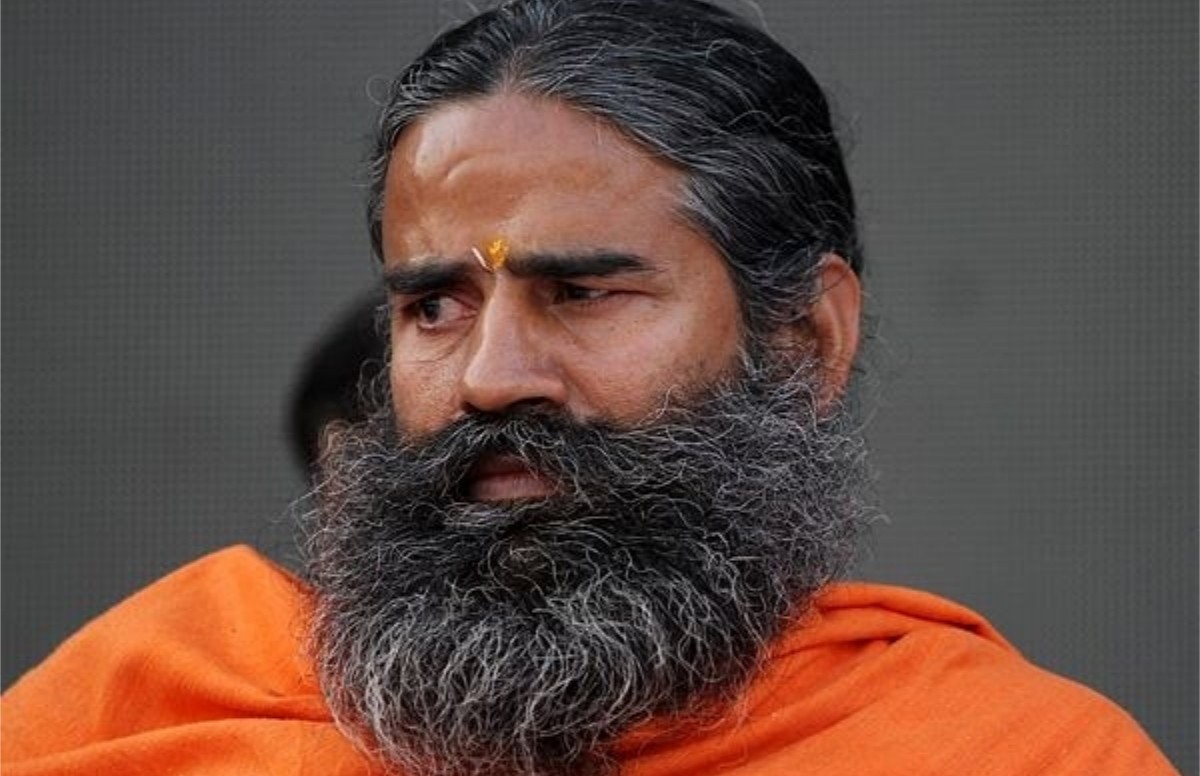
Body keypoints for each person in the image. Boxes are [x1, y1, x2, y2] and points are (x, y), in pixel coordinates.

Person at [0, 1, 1179, 774]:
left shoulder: (1021, 754)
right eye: (433, 304)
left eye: (580, 292)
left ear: (803, 341)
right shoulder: (151, 707)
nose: (488, 378)